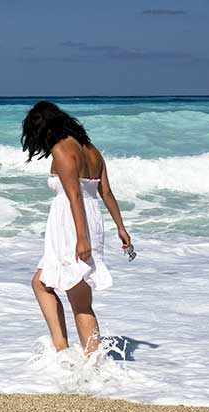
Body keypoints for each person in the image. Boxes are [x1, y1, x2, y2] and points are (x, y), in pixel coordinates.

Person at [21, 101, 132, 356]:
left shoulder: (62, 150)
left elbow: (74, 197)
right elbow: (106, 192)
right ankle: (72, 354)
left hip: (73, 226)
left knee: (77, 300)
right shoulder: (92, 151)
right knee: (46, 285)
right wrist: (121, 227)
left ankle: (85, 362)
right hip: (91, 221)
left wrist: (81, 239)